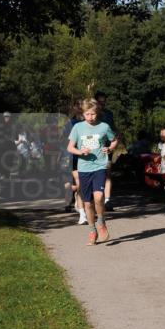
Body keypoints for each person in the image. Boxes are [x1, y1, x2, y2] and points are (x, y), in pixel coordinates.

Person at [67, 98, 117, 245]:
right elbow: (70, 147)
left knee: (99, 196)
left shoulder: (104, 126)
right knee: (88, 204)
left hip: (99, 165)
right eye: (87, 114)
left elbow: (114, 140)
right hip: (84, 168)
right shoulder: (77, 128)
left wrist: (110, 148)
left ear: (97, 113)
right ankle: (92, 230)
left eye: (93, 114)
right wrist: (80, 151)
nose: (91, 117)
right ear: (83, 114)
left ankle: (101, 222)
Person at [63, 101, 86, 223]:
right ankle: (68, 201)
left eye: (81, 106)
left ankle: (78, 201)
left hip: (82, 156)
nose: (79, 108)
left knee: (79, 181)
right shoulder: (70, 123)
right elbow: (64, 139)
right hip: (70, 155)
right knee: (68, 182)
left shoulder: (87, 122)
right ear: (75, 108)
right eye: (78, 106)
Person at [95, 91, 117, 210]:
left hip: (107, 147)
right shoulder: (91, 114)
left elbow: (113, 127)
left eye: (104, 102)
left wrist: (116, 134)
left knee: (107, 172)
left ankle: (108, 200)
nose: (102, 104)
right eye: (100, 102)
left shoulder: (109, 114)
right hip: (93, 148)